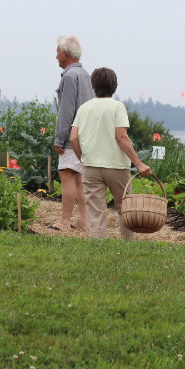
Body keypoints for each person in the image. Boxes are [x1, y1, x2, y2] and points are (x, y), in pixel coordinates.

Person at [70, 67, 152, 240]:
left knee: (96, 211)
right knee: (125, 207)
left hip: (91, 166)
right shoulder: (117, 107)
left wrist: (83, 158)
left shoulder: (84, 108)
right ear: (114, 88)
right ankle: (128, 244)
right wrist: (138, 163)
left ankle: (100, 246)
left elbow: (73, 138)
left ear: (93, 87)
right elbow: (121, 137)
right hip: (117, 167)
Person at [51, 36, 94, 231]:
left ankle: (64, 221)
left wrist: (60, 138)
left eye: (58, 51)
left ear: (66, 54)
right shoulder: (86, 74)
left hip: (71, 135)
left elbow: (66, 111)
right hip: (87, 135)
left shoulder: (69, 77)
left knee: (67, 174)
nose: (56, 55)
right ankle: (84, 221)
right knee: (79, 178)